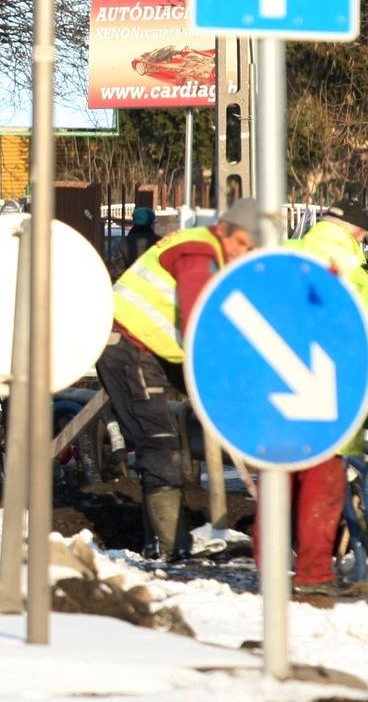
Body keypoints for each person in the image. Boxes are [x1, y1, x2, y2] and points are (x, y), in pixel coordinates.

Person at [97, 198, 260, 560]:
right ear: (228, 232)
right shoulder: (199, 253)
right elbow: (197, 316)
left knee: (166, 442)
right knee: (160, 445)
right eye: (243, 246)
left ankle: (164, 541)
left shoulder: (204, 250)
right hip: (128, 348)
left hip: (148, 349)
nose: (242, 255)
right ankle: (171, 549)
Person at [256, 201, 368, 595]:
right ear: (359, 233)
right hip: (325, 390)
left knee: (280, 477)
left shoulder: (291, 249)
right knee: (323, 483)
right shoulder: (350, 265)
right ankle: (315, 575)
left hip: (276, 388)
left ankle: (268, 566)